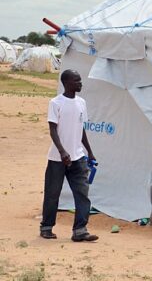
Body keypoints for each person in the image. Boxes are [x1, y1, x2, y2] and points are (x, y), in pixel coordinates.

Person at [40, 70, 98, 242]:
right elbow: (52, 130)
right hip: (57, 159)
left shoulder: (81, 103)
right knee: (52, 194)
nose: (80, 83)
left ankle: (80, 230)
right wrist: (62, 151)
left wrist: (89, 151)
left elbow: (81, 130)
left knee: (82, 194)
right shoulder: (55, 103)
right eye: (76, 80)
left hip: (78, 157)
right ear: (66, 83)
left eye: (80, 80)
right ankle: (46, 227)